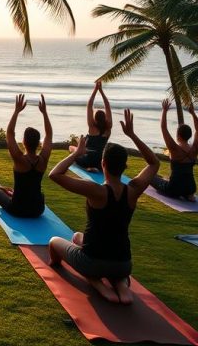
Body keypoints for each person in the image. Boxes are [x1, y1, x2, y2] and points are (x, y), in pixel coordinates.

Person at [47, 109, 160, 305]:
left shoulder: (96, 191)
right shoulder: (133, 190)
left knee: (54, 241)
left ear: (103, 163)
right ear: (124, 167)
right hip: (123, 265)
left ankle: (95, 282)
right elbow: (154, 163)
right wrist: (132, 135)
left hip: (92, 263)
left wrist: (76, 155)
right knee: (76, 237)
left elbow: (55, 174)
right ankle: (121, 286)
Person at [0, 94, 53, 218]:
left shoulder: (19, 159)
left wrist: (16, 111)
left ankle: (10, 192)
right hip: (38, 210)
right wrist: (44, 113)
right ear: (39, 144)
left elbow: (9, 133)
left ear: (23, 141)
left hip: (18, 209)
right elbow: (49, 135)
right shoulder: (43, 159)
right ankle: (12, 192)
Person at [151, 98, 198, 201]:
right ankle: (189, 195)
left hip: (174, 187)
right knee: (163, 178)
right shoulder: (195, 148)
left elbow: (163, 128)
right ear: (190, 135)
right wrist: (192, 113)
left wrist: (164, 111)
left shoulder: (174, 148)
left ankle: (180, 192)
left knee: (150, 177)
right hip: (191, 187)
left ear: (178, 135)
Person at [69, 81, 112, 172]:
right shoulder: (108, 129)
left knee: (71, 148)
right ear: (105, 118)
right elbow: (107, 106)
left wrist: (95, 90)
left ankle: (88, 167)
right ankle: (94, 167)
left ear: (95, 119)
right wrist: (101, 91)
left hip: (87, 159)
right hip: (100, 161)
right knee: (78, 149)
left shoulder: (92, 127)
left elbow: (89, 106)